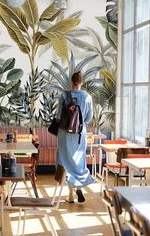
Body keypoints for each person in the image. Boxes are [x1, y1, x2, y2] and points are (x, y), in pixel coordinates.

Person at [56, 71, 94, 203]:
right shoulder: (87, 97)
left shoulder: (64, 95)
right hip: (79, 134)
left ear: (71, 82)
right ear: (82, 82)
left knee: (64, 161)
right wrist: (80, 125)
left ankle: (70, 194)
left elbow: (59, 116)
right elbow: (89, 117)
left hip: (64, 134)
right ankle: (79, 188)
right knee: (78, 161)